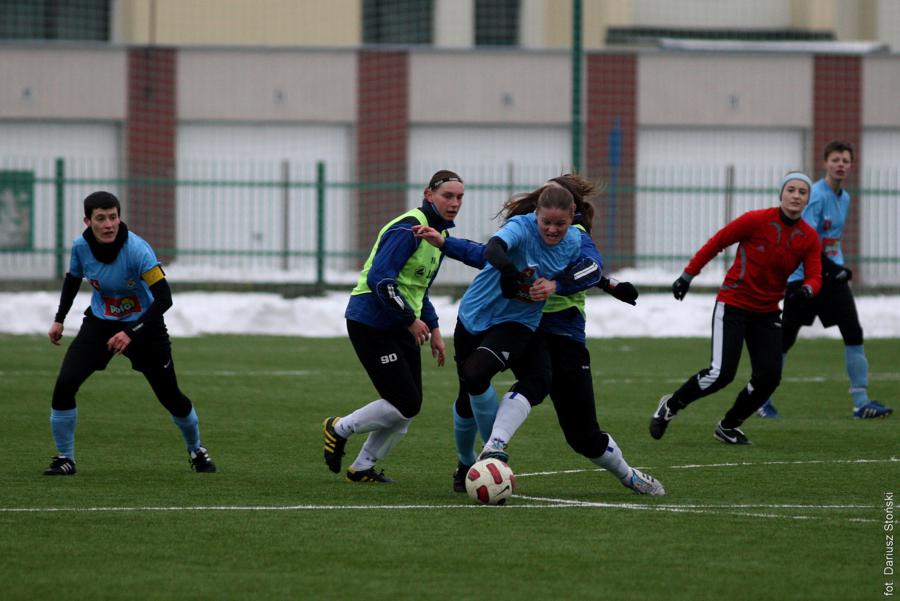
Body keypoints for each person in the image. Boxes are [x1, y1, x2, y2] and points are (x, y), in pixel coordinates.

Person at [417, 174, 664, 496]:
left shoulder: (574, 236)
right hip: (521, 324)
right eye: (545, 216)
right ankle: (485, 454)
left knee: (583, 435)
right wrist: (447, 243)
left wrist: (604, 284)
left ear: (571, 211)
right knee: (493, 383)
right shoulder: (526, 227)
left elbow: (590, 267)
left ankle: (628, 474)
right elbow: (488, 255)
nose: (551, 227)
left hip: (561, 332)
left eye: (558, 220)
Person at [45, 191, 216, 475]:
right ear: (88, 221)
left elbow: (164, 299)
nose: (109, 224)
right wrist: (59, 319)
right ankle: (65, 458)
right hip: (100, 324)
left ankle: (197, 450)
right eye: (101, 218)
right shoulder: (80, 247)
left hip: (145, 326)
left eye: (113, 217)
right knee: (65, 385)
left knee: (170, 396)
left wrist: (131, 332)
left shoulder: (138, 250)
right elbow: (73, 279)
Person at [650, 172, 823, 445]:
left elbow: (815, 275)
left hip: (767, 312)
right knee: (721, 374)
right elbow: (717, 242)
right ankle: (671, 404)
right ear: (781, 195)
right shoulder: (756, 220)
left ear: (807, 200)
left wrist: (807, 289)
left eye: (803, 192)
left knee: (769, 378)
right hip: (733, 305)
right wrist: (687, 275)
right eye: (791, 189)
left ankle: (729, 426)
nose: (796, 195)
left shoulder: (808, 237)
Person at [321, 170, 463, 483]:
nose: (455, 203)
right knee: (405, 402)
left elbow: (417, 288)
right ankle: (338, 428)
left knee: (408, 406)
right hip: (371, 322)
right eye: (447, 196)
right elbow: (380, 280)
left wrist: (435, 329)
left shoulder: (440, 237)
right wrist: (410, 320)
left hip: (400, 323)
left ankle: (362, 468)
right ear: (429, 195)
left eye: (459, 197)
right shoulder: (407, 229)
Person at [757, 141, 893, 419]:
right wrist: (832, 268)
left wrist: (834, 268)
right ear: (825, 163)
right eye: (835, 159)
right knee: (784, 340)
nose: (841, 164)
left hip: (830, 278)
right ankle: (760, 400)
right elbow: (805, 238)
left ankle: (861, 403)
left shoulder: (844, 197)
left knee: (853, 333)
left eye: (845, 160)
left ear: (851, 165)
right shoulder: (816, 196)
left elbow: (828, 240)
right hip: (804, 278)